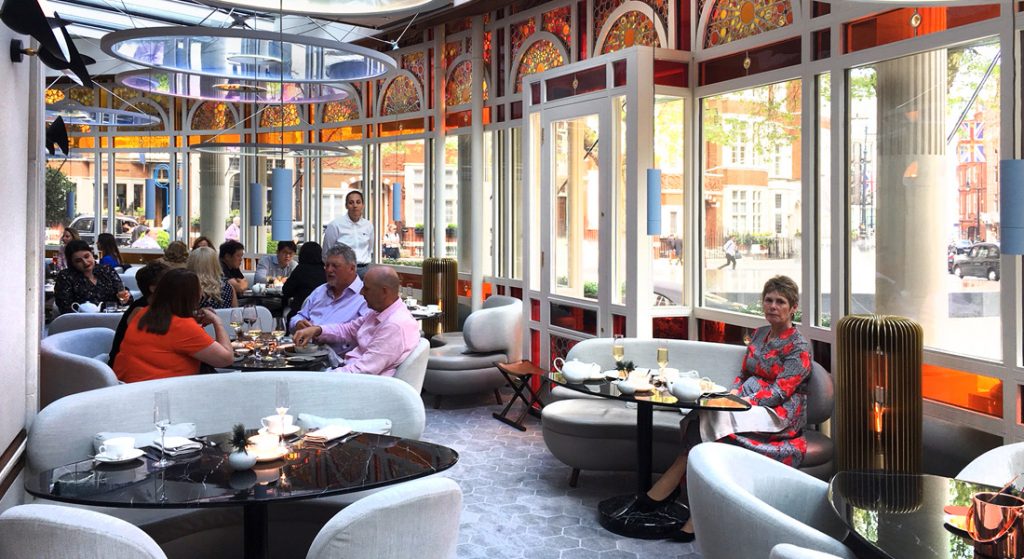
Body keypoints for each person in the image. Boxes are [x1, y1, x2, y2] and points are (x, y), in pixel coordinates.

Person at [639, 275, 811, 542]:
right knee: (702, 414)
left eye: (780, 302)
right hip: (745, 399)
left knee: (713, 420)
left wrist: (741, 401)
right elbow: (744, 373)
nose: (773, 306)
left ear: (793, 307)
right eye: (768, 300)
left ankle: (669, 488)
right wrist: (732, 392)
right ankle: (692, 508)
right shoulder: (760, 333)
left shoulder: (799, 347)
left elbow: (779, 393)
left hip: (778, 413)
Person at [294, 265, 418, 377]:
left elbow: (363, 370)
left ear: (384, 291)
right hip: (351, 375)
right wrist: (317, 330)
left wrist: (322, 377)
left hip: (362, 389)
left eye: (367, 289)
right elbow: (348, 329)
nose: (361, 292)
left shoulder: (394, 325)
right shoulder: (379, 313)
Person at [112, 269, 233, 383]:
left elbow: (164, 342)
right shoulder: (183, 326)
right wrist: (218, 322)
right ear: (192, 296)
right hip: (161, 393)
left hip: (126, 388)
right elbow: (225, 359)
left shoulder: (141, 313)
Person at [289, 244, 368, 355]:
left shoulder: (365, 297)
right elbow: (298, 316)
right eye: (327, 265)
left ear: (352, 268)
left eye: (335, 266)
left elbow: (361, 334)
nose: (329, 270)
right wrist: (298, 323)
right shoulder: (320, 291)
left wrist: (318, 331)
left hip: (338, 362)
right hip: (305, 354)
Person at [108, 259, 170, 369]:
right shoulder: (141, 311)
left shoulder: (154, 305)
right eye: (170, 282)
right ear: (153, 289)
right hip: (126, 370)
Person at [54, 239, 131, 314]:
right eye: (78, 261)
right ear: (72, 263)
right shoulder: (66, 276)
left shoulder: (107, 270)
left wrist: (125, 298)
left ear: (92, 254)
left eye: (87, 256)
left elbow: (125, 296)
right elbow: (65, 308)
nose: (85, 262)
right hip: (81, 322)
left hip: (111, 319)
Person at [322, 190, 373, 277]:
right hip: (343, 271)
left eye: (358, 202)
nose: (355, 205)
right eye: (351, 202)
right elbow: (327, 252)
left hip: (364, 271)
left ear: (363, 205)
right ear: (346, 205)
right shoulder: (335, 225)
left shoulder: (368, 225)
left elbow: (370, 249)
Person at [282, 242, 326, 325]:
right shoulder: (325, 271)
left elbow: (286, 291)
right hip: (321, 315)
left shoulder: (300, 270)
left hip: (300, 316)